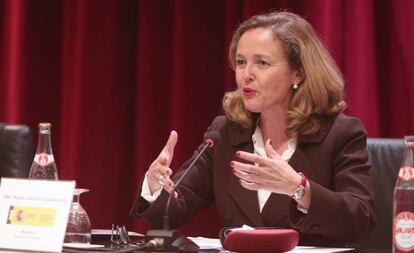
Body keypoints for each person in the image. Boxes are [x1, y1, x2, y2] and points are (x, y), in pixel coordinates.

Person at [131, 11, 375, 246]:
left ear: (298, 73)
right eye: (240, 62)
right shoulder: (226, 133)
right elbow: (172, 212)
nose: (246, 74)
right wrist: (155, 184)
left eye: (262, 63)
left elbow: (359, 221)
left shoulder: (340, 134)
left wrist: (299, 189)